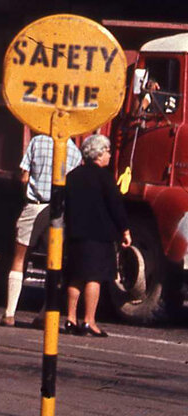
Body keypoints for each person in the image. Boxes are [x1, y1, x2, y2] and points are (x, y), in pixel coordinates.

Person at [0, 131, 83, 326]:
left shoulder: (37, 142)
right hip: (57, 210)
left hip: (34, 205)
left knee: (20, 257)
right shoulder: (74, 151)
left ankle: (10, 313)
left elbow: (24, 177)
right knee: (54, 262)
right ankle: (44, 314)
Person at [63, 134, 131, 338]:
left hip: (76, 233)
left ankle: (70, 318)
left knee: (76, 276)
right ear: (99, 153)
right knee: (94, 277)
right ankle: (89, 321)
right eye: (108, 151)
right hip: (99, 235)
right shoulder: (105, 178)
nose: (110, 155)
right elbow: (115, 206)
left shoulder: (72, 176)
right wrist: (125, 230)